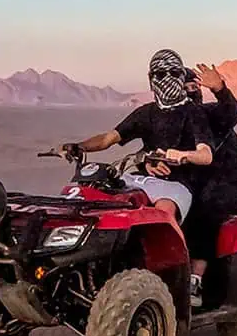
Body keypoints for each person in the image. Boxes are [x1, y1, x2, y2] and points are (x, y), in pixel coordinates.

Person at [62, 48, 214, 226]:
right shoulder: (145, 113)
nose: (167, 79)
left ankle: (169, 244)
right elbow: (108, 139)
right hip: (140, 178)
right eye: (160, 74)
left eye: (174, 73)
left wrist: (182, 155)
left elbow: (206, 155)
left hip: (178, 184)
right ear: (151, 79)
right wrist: (79, 146)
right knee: (94, 198)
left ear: (181, 77)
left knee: (163, 216)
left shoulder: (195, 113)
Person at [180, 63, 237, 304]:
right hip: (194, 184)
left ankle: (194, 280)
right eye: (184, 88)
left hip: (227, 183)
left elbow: (231, 112)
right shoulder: (169, 120)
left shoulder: (211, 114)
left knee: (203, 208)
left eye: (193, 87)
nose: (190, 92)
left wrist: (220, 89)